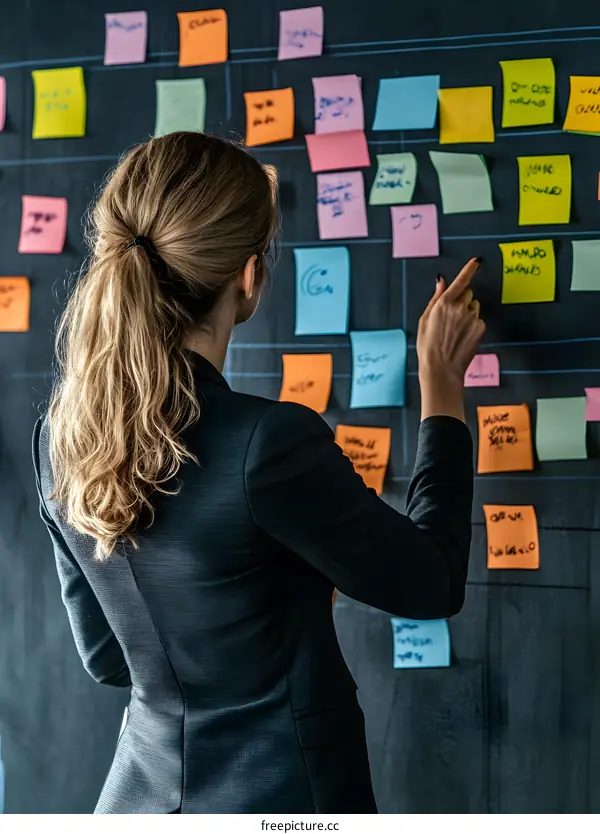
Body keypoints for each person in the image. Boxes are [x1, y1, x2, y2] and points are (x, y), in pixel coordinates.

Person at [31, 132, 485, 815]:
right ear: (248, 276)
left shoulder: (60, 438)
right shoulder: (267, 442)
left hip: (135, 803)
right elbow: (434, 581)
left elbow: (109, 656)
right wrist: (443, 392)